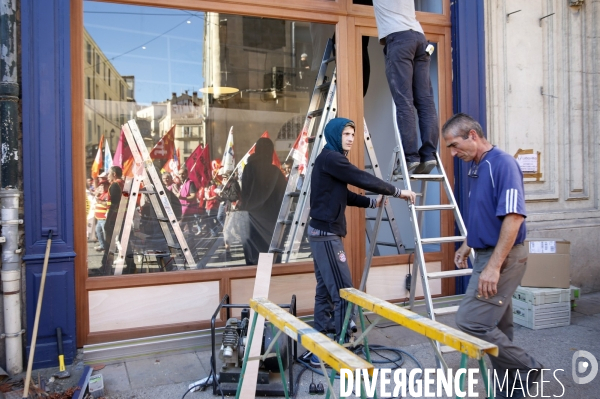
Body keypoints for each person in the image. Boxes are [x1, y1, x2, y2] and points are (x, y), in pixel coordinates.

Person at [442, 113, 543, 399]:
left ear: (473, 135)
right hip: (487, 252)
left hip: (504, 257)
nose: (452, 153)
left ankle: (528, 366)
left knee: (471, 321)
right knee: (499, 325)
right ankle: (511, 391)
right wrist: (467, 243)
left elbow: (513, 218)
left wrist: (493, 267)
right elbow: (485, 214)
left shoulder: (503, 164)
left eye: (454, 145)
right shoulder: (476, 166)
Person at [307, 117, 416, 366]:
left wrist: (371, 202)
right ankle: (343, 347)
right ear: (335, 135)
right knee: (344, 292)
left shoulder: (329, 159)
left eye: (353, 135)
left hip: (321, 233)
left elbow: (342, 194)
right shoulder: (333, 158)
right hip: (326, 235)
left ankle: (319, 348)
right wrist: (396, 192)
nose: (350, 138)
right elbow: (359, 177)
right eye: (346, 134)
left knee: (325, 292)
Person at [373, 0, 439, 175]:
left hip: (399, 38)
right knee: (425, 101)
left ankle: (410, 157)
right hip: (419, 37)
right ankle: (429, 154)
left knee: (404, 101)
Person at [238, 137, 287, 265]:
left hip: (252, 219)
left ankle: (257, 283)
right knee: (271, 259)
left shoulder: (249, 168)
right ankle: (268, 283)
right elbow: (284, 197)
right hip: (271, 220)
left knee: (254, 259)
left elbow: (245, 193)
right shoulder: (275, 172)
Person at [93, 175, 110, 252]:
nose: (101, 186)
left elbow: (108, 204)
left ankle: (108, 248)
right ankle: (103, 246)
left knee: (106, 234)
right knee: (98, 232)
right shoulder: (102, 194)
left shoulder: (108, 194)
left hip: (104, 218)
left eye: (103, 185)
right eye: (101, 185)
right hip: (99, 218)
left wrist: (99, 201)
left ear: (107, 185)